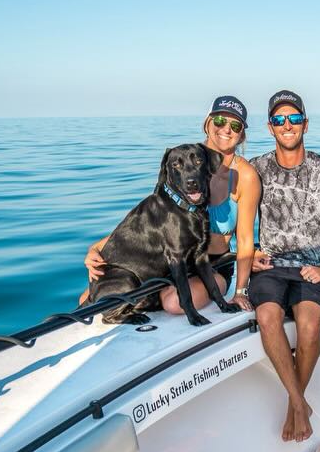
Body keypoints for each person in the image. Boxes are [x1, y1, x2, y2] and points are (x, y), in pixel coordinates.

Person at [248, 89, 320, 443]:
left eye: (294, 118)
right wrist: (248, 251)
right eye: (280, 120)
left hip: (314, 268)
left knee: (309, 326)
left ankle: (293, 404)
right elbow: (229, 217)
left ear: (305, 124)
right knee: (268, 317)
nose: (287, 125)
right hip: (270, 266)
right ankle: (299, 403)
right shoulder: (256, 169)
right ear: (270, 127)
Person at [83, 96, 260, 312]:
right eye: (220, 121)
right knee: (88, 298)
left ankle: (147, 298)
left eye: (235, 125)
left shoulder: (245, 175)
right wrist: (97, 249)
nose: (226, 129)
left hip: (211, 264)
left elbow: (244, 239)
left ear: (242, 134)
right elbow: (152, 221)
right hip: (167, 263)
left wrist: (240, 291)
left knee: (174, 303)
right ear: (208, 124)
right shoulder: (180, 162)